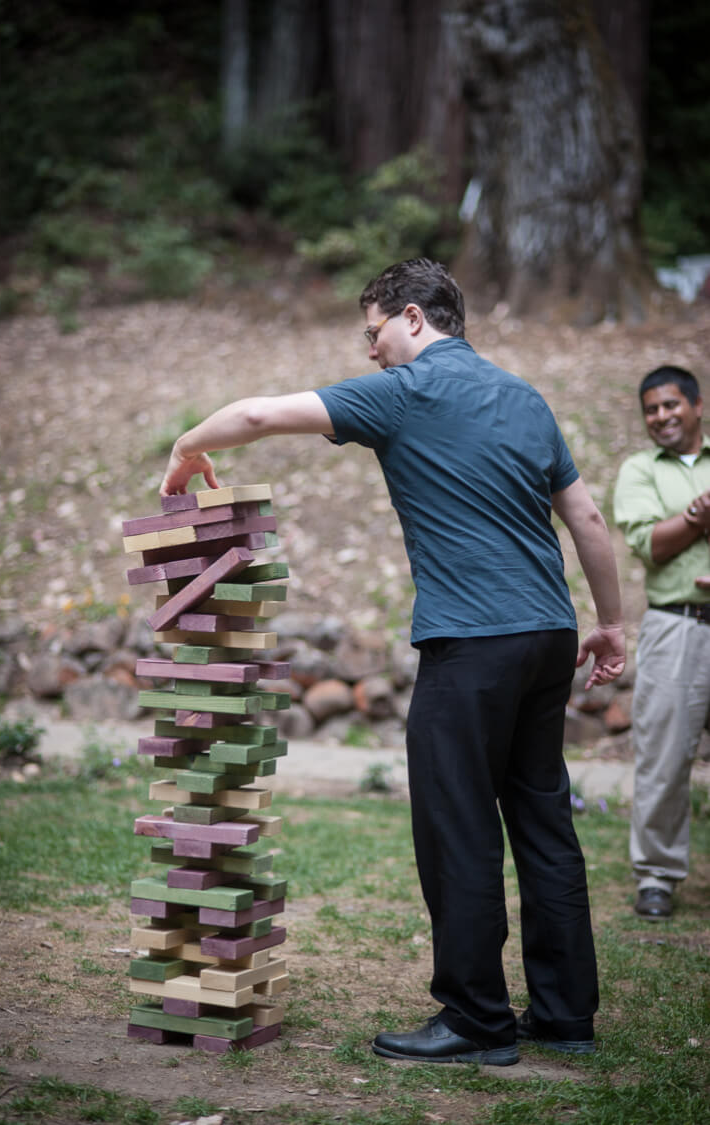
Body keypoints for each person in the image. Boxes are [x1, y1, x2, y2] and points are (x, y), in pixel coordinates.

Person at [160, 258, 626, 1065]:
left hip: (472, 641)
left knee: (458, 827)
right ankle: (564, 1016)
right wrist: (610, 622)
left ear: (413, 318)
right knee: (545, 824)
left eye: (371, 330)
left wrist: (186, 444)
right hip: (548, 635)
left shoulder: (404, 392)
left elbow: (261, 414)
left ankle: (478, 1020)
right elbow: (583, 514)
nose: (368, 350)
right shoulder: (524, 396)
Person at [613, 365, 710, 921]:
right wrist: (700, 511)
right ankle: (656, 874)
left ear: (696, 405)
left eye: (671, 405)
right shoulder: (640, 470)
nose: (661, 417)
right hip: (679, 625)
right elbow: (653, 545)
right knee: (665, 758)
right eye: (651, 409)